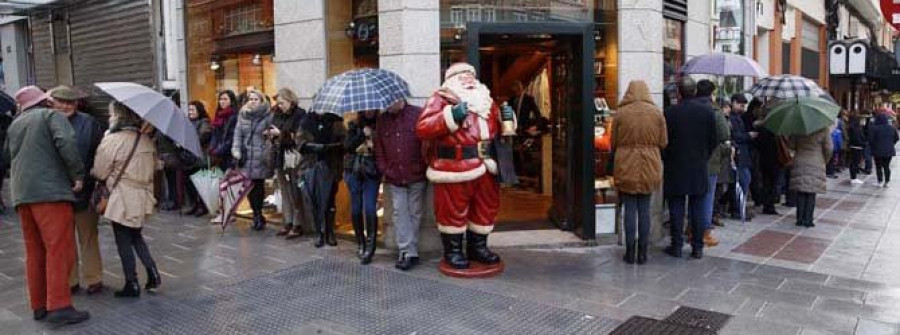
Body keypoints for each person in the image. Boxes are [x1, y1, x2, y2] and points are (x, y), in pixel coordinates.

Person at [5, 86, 89, 324]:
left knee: (34, 251)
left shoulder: (16, 124)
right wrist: (78, 175)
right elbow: (67, 143)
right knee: (59, 249)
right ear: (44, 101)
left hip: (22, 193)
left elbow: (8, 156)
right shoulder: (50, 116)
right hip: (50, 192)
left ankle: (39, 305)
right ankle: (60, 306)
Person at [416, 62, 512, 269]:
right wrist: (450, 116)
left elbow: (499, 132)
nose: (468, 78)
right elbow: (423, 128)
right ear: (451, 79)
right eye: (462, 75)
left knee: (485, 208)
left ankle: (478, 248)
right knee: (452, 210)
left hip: (487, 165)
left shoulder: (486, 101)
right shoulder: (439, 99)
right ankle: (453, 252)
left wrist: (508, 121)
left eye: (471, 75)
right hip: (455, 167)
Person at [92, 102, 161, 298]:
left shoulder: (112, 140)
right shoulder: (146, 140)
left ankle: (131, 283)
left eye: (111, 113)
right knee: (136, 236)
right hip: (142, 194)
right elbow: (155, 167)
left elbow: (99, 171)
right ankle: (153, 273)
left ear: (117, 116)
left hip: (122, 195)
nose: (109, 117)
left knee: (123, 239)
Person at [47, 86, 105, 296]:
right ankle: (70, 280)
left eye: (70, 102)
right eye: (61, 101)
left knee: (88, 236)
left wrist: (94, 177)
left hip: (85, 189)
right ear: (52, 102)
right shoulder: (46, 121)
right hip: (57, 190)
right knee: (64, 239)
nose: (65, 106)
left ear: (77, 104)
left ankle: (94, 278)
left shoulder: (89, 123)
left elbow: (99, 152)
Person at [611, 80, 667, 265]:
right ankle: (643, 253)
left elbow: (614, 141)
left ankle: (629, 252)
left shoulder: (621, 113)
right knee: (644, 210)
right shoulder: (656, 113)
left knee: (629, 209)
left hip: (626, 163)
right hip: (650, 163)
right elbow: (663, 141)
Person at [662, 77, 718, 259]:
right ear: (694, 92)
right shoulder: (707, 113)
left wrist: (667, 158)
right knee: (698, 207)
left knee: (676, 207)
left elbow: (664, 141)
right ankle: (697, 247)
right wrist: (704, 156)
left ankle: (677, 245)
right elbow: (713, 140)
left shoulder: (670, 113)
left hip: (676, 165)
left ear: (679, 92)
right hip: (698, 165)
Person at [375, 99, 427, 270]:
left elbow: (427, 142)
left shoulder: (417, 114)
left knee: (415, 212)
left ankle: (410, 251)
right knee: (399, 212)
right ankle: (407, 251)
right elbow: (379, 147)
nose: (387, 105)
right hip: (394, 175)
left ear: (400, 99)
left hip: (416, 173)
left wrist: (424, 164)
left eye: (390, 101)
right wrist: (384, 168)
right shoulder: (383, 120)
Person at [690, 80, 728, 248]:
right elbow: (724, 133)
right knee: (707, 196)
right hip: (710, 160)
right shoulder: (714, 110)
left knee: (692, 196)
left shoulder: (688, 106)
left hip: (690, 159)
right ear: (711, 93)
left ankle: (691, 229)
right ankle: (704, 232)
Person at [298, 112, 345, 247]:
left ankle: (330, 232)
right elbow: (300, 142)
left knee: (330, 200)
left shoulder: (336, 122)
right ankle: (320, 232)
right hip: (312, 165)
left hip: (331, 165)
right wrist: (313, 146)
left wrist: (330, 147)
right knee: (315, 200)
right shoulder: (306, 121)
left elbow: (344, 142)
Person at [232, 90, 274, 231]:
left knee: (258, 186)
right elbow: (238, 134)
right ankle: (256, 214)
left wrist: (269, 136)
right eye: (251, 98)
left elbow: (273, 132)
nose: (253, 101)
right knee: (249, 187)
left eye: (256, 99)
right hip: (246, 157)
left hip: (260, 156)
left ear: (261, 100)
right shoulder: (243, 114)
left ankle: (259, 214)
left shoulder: (268, 115)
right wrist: (236, 150)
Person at [269, 88, 307, 239]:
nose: (280, 106)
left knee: (294, 190)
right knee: (283, 190)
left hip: (292, 156)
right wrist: (270, 134)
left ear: (290, 101)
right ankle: (287, 221)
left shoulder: (300, 114)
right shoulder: (276, 114)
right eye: (278, 103)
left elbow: (299, 136)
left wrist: (281, 134)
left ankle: (297, 223)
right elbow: (273, 129)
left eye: (282, 103)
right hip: (279, 155)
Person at [344, 110, 381, 264]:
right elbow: (347, 146)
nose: (369, 111)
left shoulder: (381, 125)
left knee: (370, 207)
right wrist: (362, 135)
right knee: (356, 208)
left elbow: (385, 149)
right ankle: (361, 243)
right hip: (354, 171)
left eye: (372, 108)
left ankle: (371, 247)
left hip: (371, 171)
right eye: (366, 109)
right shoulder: (354, 125)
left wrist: (373, 141)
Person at [790, 127, 833, 227]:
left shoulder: (798, 127)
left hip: (800, 160)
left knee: (801, 191)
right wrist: (825, 160)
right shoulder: (823, 128)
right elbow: (829, 148)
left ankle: (799, 219)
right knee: (811, 192)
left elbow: (791, 145)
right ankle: (808, 220)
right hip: (816, 161)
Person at [729, 93, 757, 216]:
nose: (742, 108)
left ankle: (739, 208)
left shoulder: (738, 117)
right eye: (740, 105)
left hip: (743, 154)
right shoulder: (731, 118)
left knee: (745, 180)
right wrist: (748, 136)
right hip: (738, 154)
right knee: (743, 181)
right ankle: (738, 210)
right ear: (733, 102)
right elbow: (734, 136)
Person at [185, 101, 211, 216]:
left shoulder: (204, 122)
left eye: (192, 110)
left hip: (199, 158)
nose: (190, 112)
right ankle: (194, 204)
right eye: (189, 110)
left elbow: (202, 137)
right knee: (190, 185)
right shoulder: (186, 123)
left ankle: (202, 206)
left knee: (200, 184)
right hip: (188, 158)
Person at [209, 90, 239, 170]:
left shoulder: (234, 116)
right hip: (218, 155)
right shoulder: (218, 115)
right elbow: (215, 134)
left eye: (225, 99)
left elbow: (232, 137)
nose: (222, 101)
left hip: (229, 155)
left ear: (231, 101)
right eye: (221, 99)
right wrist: (212, 148)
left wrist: (219, 150)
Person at [868, 112, 899, 187]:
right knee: (886, 166)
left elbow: (871, 139)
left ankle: (880, 181)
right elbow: (897, 138)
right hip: (889, 151)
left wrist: (873, 146)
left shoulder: (874, 128)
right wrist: (891, 144)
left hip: (877, 151)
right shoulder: (892, 128)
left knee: (878, 166)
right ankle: (887, 182)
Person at [848, 115, 867, 184]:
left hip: (855, 147)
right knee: (854, 163)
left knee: (854, 163)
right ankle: (853, 178)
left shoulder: (856, 128)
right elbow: (856, 139)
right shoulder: (855, 129)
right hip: (856, 148)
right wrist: (864, 144)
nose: (863, 121)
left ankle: (853, 177)